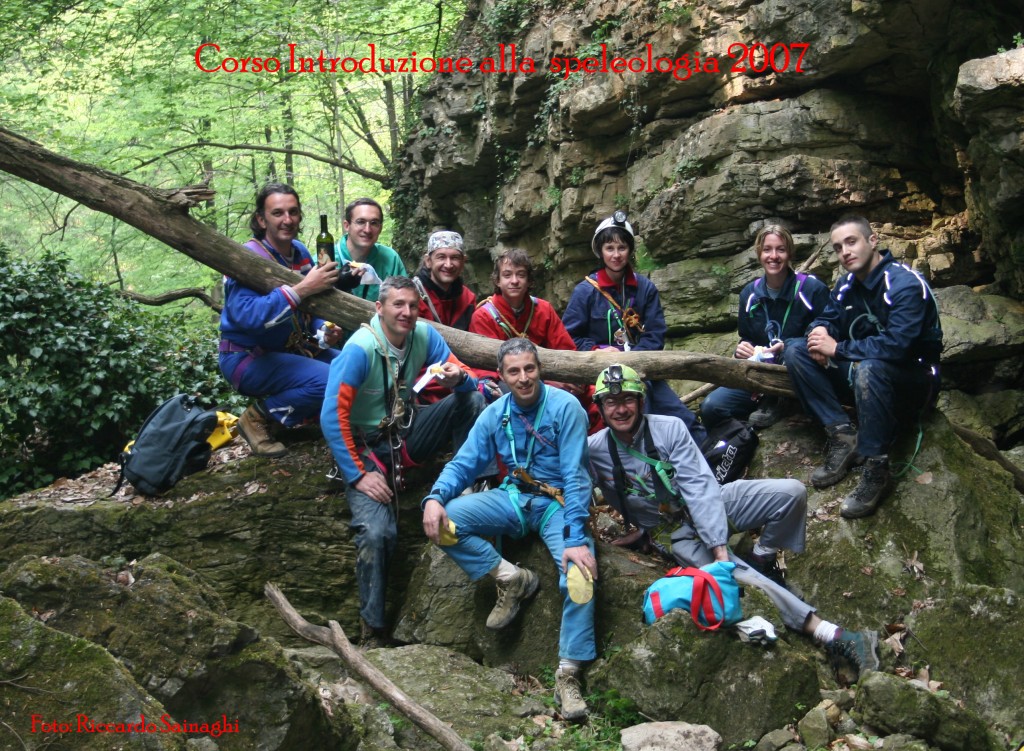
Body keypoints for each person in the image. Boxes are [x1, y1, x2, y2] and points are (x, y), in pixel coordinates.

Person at [586, 365, 880, 679]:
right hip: (673, 533)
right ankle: (835, 636)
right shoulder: (595, 450)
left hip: (712, 503)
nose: (620, 409)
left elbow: (700, 487)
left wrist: (718, 549)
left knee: (792, 493)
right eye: (611, 403)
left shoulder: (668, 428)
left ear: (641, 401)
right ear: (602, 408)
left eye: (628, 399)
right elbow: (571, 488)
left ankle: (763, 556)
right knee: (744, 579)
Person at [421, 339, 597, 721]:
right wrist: (435, 498)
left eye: (529, 369)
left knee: (581, 577)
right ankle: (512, 578)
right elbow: (464, 463)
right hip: (514, 498)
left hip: (558, 504)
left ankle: (568, 675)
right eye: (514, 372)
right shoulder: (496, 412)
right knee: (444, 522)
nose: (523, 378)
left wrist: (577, 540)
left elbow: (576, 476)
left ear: (540, 369)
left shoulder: (567, 408)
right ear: (501, 376)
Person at [321, 276, 486, 646]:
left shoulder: (424, 336)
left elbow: (469, 382)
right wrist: (359, 475)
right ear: (379, 308)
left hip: (405, 434)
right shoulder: (360, 350)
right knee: (378, 533)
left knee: (471, 403)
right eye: (398, 305)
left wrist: (459, 378)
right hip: (367, 449)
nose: (406, 312)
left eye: (412, 305)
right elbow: (332, 417)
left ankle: (472, 488)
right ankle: (373, 630)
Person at [784, 216, 943, 519]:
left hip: (912, 381)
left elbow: (898, 347)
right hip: (862, 372)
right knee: (796, 349)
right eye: (838, 247)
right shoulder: (846, 284)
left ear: (873, 241)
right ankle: (842, 435)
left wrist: (838, 349)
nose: (844, 251)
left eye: (851, 241)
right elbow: (828, 317)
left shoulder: (904, 283)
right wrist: (819, 334)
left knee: (872, 367)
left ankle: (875, 466)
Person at [219, 183, 343, 457]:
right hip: (246, 358)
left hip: (290, 350)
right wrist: (302, 288)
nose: (287, 220)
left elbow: (311, 309)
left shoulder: (300, 253)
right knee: (327, 380)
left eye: (293, 212)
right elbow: (250, 317)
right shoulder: (246, 257)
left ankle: (298, 421)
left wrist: (323, 329)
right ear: (262, 220)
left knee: (351, 366)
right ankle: (256, 419)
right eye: (277, 213)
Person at [562, 212, 707, 445]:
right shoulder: (586, 291)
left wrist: (634, 359)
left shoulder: (645, 288)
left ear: (630, 250)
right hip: (600, 374)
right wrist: (598, 349)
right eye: (610, 248)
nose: (616, 255)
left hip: (643, 370)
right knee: (638, 414)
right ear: (600, 251)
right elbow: (569, 338)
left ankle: (709, 457)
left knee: (680, 416)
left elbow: (655, 335)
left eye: (622, 248)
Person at [700, 225, 830, 428]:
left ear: (790, 254)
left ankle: (783, 403)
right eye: (767, 249)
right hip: (760, 374)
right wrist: (742, 348)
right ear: (759, 253)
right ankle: (741, 439)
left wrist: (788, 348)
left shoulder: (812, 289)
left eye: (781, 249)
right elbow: (747, 337)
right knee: (711, 406)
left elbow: (826, 334)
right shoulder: (749, 295)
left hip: (798, 373)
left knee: (794, 354)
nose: (774, 256)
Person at [470, 248, 586, 402]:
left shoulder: (543, 309)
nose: (514, 280)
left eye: (521, 275)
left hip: (548, 374)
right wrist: (545, 380)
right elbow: (483, 366)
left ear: (529, 280)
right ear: (497, 280)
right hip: (507, 382)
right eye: (507, 275)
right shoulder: (484, 316)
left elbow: (565, 350)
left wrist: (568, 376)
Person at [336, 198, 408, 303]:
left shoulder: (390, 258)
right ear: (347, 225)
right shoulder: (328, 257)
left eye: (374, 223)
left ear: (380, 228)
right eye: (360, 222)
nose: (367, 230)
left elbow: (404, 299)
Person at [413, 230, 477, 330]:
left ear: (463, 262)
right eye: (441, 257)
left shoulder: (468, 299)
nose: (448, 265)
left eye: (455, 258)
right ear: (428, 261)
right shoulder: (413, 296)